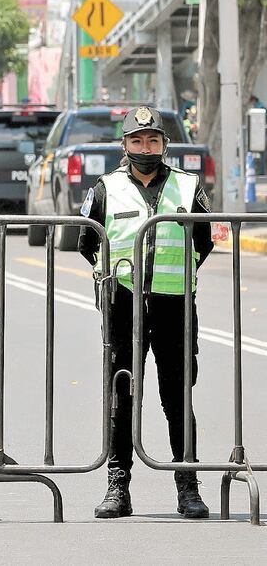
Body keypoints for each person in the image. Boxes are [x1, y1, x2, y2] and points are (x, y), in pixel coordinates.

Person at [78, 105, 214, 520]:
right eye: (137, 140)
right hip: (123, 305)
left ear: (164, 145)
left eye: (153, 140)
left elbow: (203, 242)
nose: (145, 147)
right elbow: (87, 241)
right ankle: (118, 487)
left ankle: (187, 487)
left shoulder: (189, 187)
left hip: (174, 306)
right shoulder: (104, 188)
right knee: (122, 395)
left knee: (177, 397)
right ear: (125, 145)